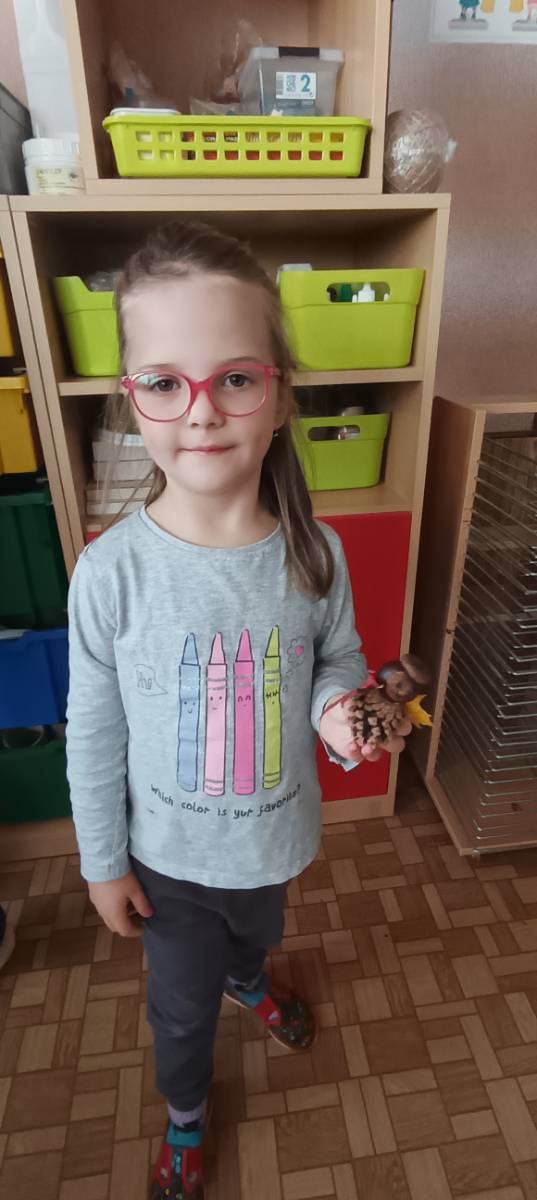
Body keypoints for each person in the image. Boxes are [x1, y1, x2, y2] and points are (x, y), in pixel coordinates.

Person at [66, 221, 409, 1200]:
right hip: (166, 864)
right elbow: (94, 731)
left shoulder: (315, 553)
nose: (202, 410)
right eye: (165, 381)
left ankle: (249, 979)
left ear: (281, 393)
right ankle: (185, 1113)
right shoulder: (112, 572)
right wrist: (101, 863)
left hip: (273, 838)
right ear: (131, 397)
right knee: (179, 1013)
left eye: (235, 378)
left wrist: (342, 709)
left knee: (257, 938)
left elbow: (337, 661)